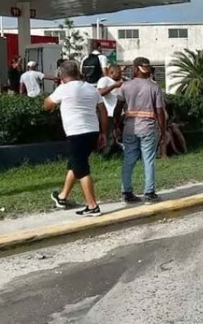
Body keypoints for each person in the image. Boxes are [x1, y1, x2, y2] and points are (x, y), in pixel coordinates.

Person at [44, 60, 109, 217]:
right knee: (75, 162)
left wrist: (59, 91)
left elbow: (47, 105)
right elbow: (103, 111)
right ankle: (62, 197)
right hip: (92, 131)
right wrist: (104, 133)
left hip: (76, 133)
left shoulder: (63, 89)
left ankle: (92, 206)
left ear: (62, 75)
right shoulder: (91, 89)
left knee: (81, 169)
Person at [114, 57, 167, 203]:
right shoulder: (154, 87)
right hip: (148, 128)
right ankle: (149, 193)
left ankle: (126, 192)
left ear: (135, 68)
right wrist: (163, 130)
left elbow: (117, 109)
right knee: (148, 160)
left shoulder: (125, 86)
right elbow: (160, 111)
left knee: (129, 159)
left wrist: (116, 127)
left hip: (129, 128)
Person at [96, 65, 124, 157]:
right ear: (112, 72)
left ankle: (114, 153)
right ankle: (104, 154)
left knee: (116, 135)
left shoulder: (118, 82)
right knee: (109, 136)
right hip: (108, 113)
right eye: (119, 73)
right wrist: (113, 86)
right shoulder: (104, 80)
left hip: (117, 113)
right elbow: (100, 93)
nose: (120, 74)